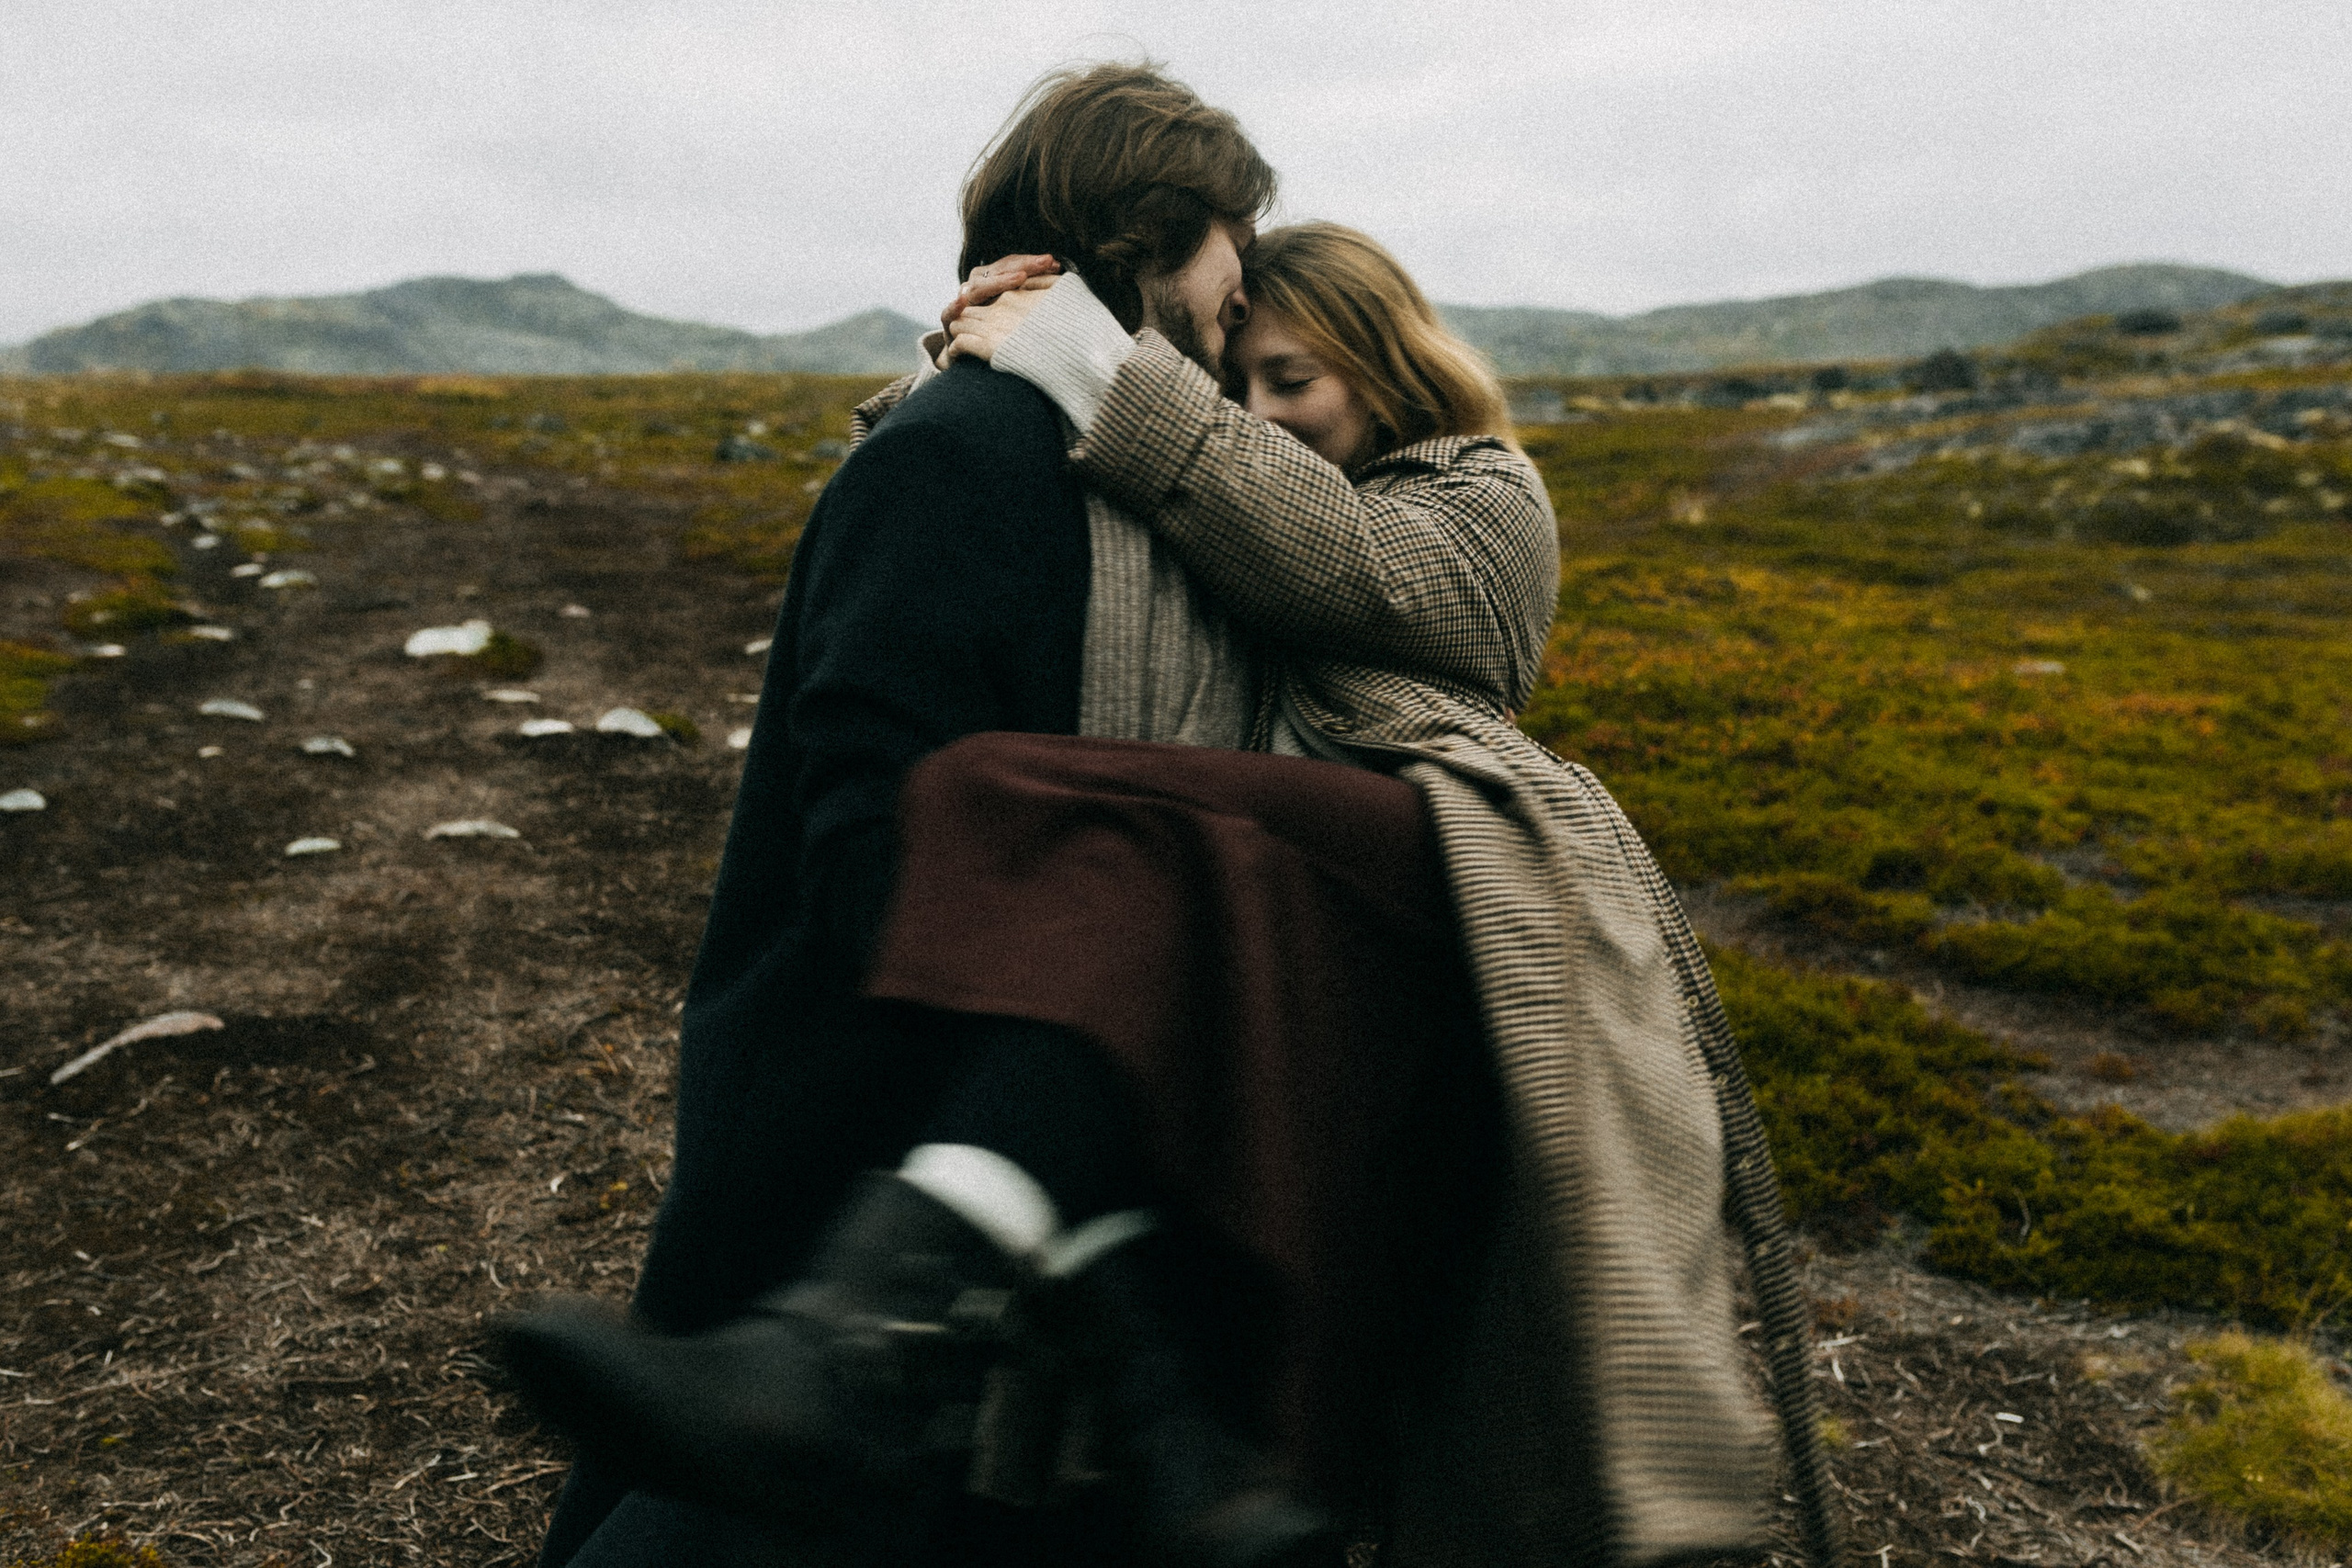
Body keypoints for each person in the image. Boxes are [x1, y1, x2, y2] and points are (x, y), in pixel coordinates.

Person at [497, 65, 1832, 1568]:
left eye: (1294, 375)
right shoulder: (995, 456)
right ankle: (1092, 1379)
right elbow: (877, 826)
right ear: (1155, 238)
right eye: (1229, 271)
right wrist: (985, 378)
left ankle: (1104, 1382)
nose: (1244, 350)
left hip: (1254, 1081)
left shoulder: (1452, 497)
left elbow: (1370, 578)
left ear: (1390, 368)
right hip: (990, 1105)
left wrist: (1086, 373)